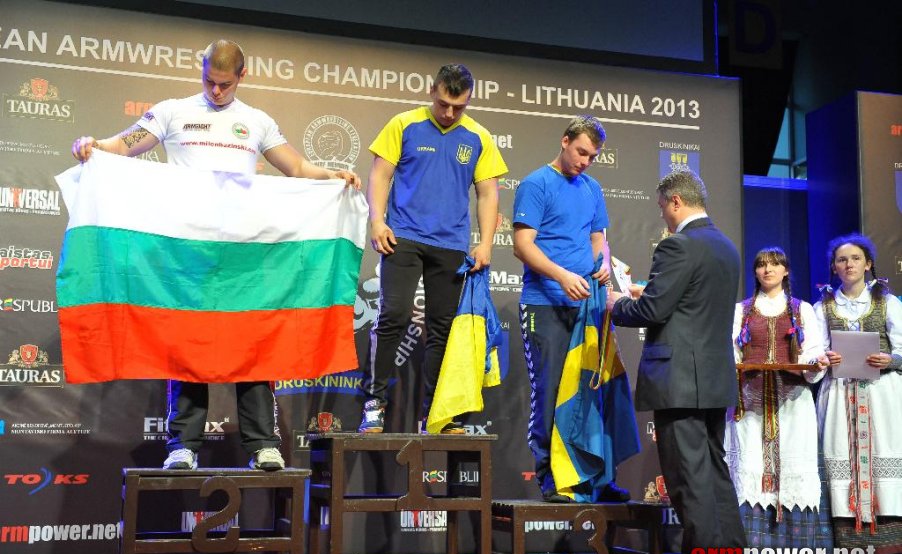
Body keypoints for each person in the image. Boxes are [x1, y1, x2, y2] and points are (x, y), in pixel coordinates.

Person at [71, 39, 360, 471]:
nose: (217, 91)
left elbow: (297, 169)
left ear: (242, 76)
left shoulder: (257, 121)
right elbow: (122, 145)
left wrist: (331, 175)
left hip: (243, 256)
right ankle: (183, 445)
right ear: (201, 70)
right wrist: (92, 145)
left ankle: (263, 444)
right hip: (186, 254)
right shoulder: (173, 111)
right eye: (210, 81)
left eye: (225, 84)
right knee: (185, 346)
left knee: (255, 341)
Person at [606, 170, 751, 554]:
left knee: (689, 479)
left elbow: (652, 311)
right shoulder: (725, 246)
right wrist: (649, 291)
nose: (663, 220)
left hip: (679, 381)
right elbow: (690, 303)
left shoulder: (677, 244)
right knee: (714, 474)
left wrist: (619, 303)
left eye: (661, 210)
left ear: (674, 202)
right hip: (712, 377)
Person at [357, 64, 507, 434]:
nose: (450, 113)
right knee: (392, 316)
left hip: (451, 244)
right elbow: (380, 174)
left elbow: (488, 192)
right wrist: (377, 221)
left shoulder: (478, 136)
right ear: (431, 91)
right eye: (443, 104)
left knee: (442, 329)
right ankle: (374, 404)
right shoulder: (404, 124)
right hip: (403, 236)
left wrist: (485, 242)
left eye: (459, 106)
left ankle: (435, 414)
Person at [512, 115, 633, 503]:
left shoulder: (592, 187)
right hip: (545, 304)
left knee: (591, 393)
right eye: (581, 152)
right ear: (565, 141)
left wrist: (602, 262)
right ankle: (551, 479)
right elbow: (522, 245)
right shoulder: (535, 184)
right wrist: (563, 276)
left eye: (592, 156)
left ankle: (596, 476)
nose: (585, 161)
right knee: (548, 394)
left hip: (588, 308)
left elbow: (599, 238)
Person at [725, 247, 833, 554]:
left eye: (774, 264)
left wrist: (815, 364)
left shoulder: (803, 311)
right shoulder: (741, 311)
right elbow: (731, 350)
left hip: (793, 401)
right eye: (761, 265)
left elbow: (813, 352)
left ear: (786, 270)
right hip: (751, 401)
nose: (767, 270)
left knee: (792, 465)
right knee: (752, 464)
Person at [814, 233, 902, 554]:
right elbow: (815, 350)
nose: (847, 264)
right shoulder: (824, 306)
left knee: (880, 465)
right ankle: (850, 553)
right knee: (842, 463)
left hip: (881, 394)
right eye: (841, 260)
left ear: (868, 264)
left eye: (854, 258)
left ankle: (881, 551)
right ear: (833, 267)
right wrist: (826, 357)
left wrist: (890, 358)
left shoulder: (888, 303)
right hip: (839, 395)